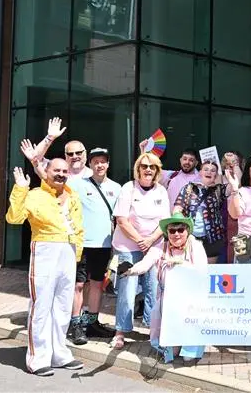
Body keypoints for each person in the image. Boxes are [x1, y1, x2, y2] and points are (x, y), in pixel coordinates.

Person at [5, 159, 85, 376]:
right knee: (41, 305)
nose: (60, 174)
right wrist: (20, 188)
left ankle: (59, 354)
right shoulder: (34, 195)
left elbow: (78, 227)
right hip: (45, 249)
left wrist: (76, 253)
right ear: (46, 172)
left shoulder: (73, 195)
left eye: (64, 171)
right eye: (56, 170)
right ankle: (37, 358)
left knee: (62, 305)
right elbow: (14, 218)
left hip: (68, 251)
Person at [122, 212, 207, 364]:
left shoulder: (196, 246)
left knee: (188, 357)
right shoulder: (160, 248)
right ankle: (171, 344)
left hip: (191, 299)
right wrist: (130, 271)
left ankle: (190, 346)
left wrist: (180, 264)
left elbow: (202, 270)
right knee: (171, 352)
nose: (176, 234)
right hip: (166, 300)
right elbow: (145, 264)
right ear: (167, 233)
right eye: (172, 230)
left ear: (187, 230)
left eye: (180, 230)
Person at [110, 152, 170, 350]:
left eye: (152, 167)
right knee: (127, 289)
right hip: (127, 246)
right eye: (144, 166)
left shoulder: (161, 191)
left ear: (157, 171)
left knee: (154, 288)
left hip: (153, 246)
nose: (148, 169)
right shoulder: (129, 188)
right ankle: (120, 331)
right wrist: (139, 240)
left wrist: (150, 240)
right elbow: (121, 220)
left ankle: (152, 329)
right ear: (138, 169)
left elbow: (164, 222)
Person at [66, 147, 122, 345]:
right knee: (79, 284)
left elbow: (119, 217)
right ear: (89, 164)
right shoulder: (75, 184)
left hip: (105, 244)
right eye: (95, 161)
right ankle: (76, 325)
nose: (99, 165)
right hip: (82, 243)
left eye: (103, 161)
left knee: (98, 283)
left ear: (108, 164)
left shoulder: (117, 188)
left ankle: (92, 322)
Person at [174, 160, 229, 264]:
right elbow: (177, 209)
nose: (209, 172)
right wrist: (181, 230)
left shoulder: (218, 190)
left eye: (213, 171)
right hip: (191, 237)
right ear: (200, 172)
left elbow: (236, 185)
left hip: (212, 239)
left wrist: (233, 166)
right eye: (206, 169)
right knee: (191, 269)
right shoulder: (188, 188)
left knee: (209, 271)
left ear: (216, 175)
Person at [19, 117, 92, 181]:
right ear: (65, 156)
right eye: (70, 154)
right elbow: (36, 158)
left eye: (78, 153)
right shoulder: (57, 171)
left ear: (85, 153)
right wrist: (49, 137)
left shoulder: (94, 174)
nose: (75, 156)